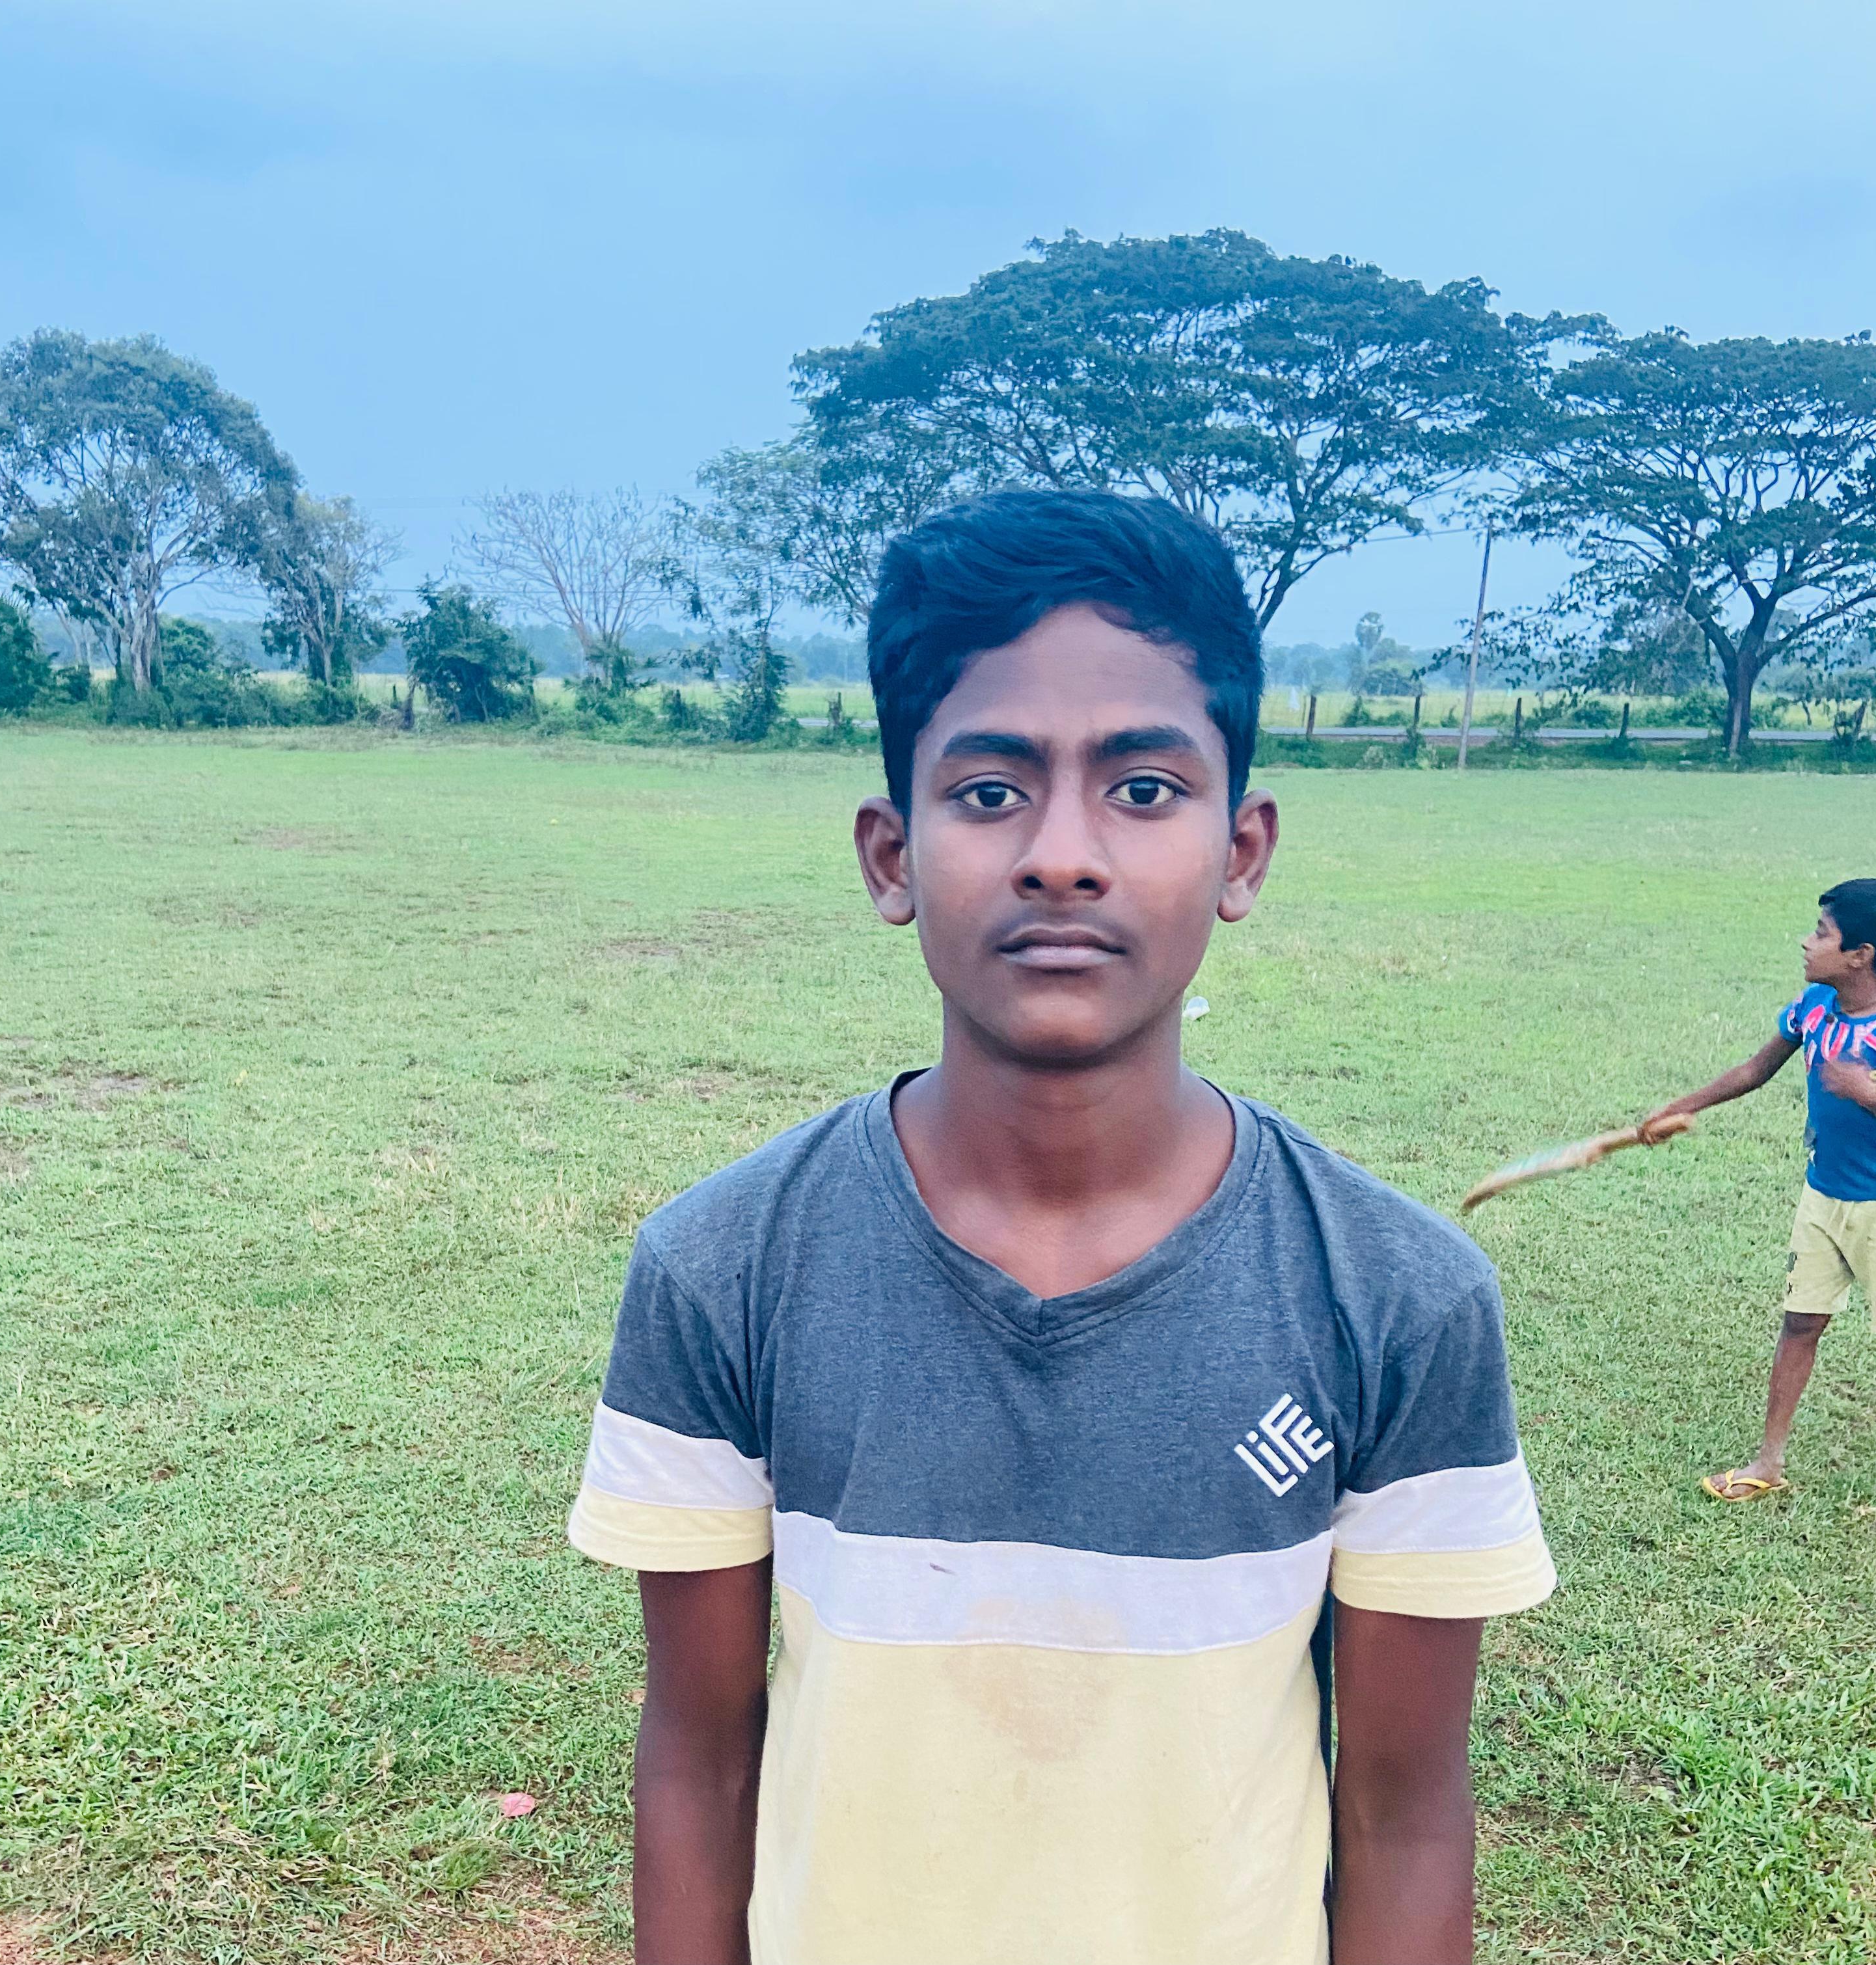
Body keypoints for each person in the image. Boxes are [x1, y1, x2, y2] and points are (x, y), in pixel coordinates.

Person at [567, 489, 1557, 1965]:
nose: (1064, 855)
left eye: (1145, 788)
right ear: (892, 856)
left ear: (1244, 850)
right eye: (990, 791)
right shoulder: (726, 1267)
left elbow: (1406, 1814)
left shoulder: (1398, 1297)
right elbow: (699, 1765)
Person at [1642, 878, 1876, 1502]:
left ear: (1862, 955)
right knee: (1800, 1323)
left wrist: (1867, 1092)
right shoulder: (1813, 1008)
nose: (1806, 942)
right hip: (1824, 1195)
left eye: (1822, 934)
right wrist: (1680, 1107)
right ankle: (1767, 1463)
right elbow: (1755, 1068)